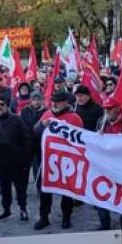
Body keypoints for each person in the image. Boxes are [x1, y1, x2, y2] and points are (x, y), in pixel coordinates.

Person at [33, 91, 83, 230]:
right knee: (45, 190)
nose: (55, 103)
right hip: (49, 159)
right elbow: (35, 130)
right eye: (53, 101)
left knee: (67, 190)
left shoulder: (75, 118)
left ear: (66, 102)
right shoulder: (47, 114)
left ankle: (66, 216)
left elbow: (81, 139)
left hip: (67, 160)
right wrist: (42, 124)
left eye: (59, 101)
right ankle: (44, 217)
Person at [94, 97, 122, 234]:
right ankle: (104, 224)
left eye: (109, 108)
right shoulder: (101, 122)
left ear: (118, 108)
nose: (106, 111)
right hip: (105, 165)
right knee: (100, 192)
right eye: (105, 108)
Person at [0, 95, 31, 221]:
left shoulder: (17, 119)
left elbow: (26, 140)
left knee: (20, 187)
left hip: (17, 161)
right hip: (1, 161)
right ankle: (6, 209)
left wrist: (26, 159)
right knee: (4, 187)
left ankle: (23, 209)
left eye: (2, 104)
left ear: (7, 106)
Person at [20, 91, 46, 179]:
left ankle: (39, 186)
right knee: (25, 166)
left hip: (41, 143)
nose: (36, 102)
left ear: (42, 100)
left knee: (39, 166)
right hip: (28, 143)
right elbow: (21, 126)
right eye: (34, 100)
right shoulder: (24, 111)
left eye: (38, 100)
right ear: (31, 101)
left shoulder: (46, 112)